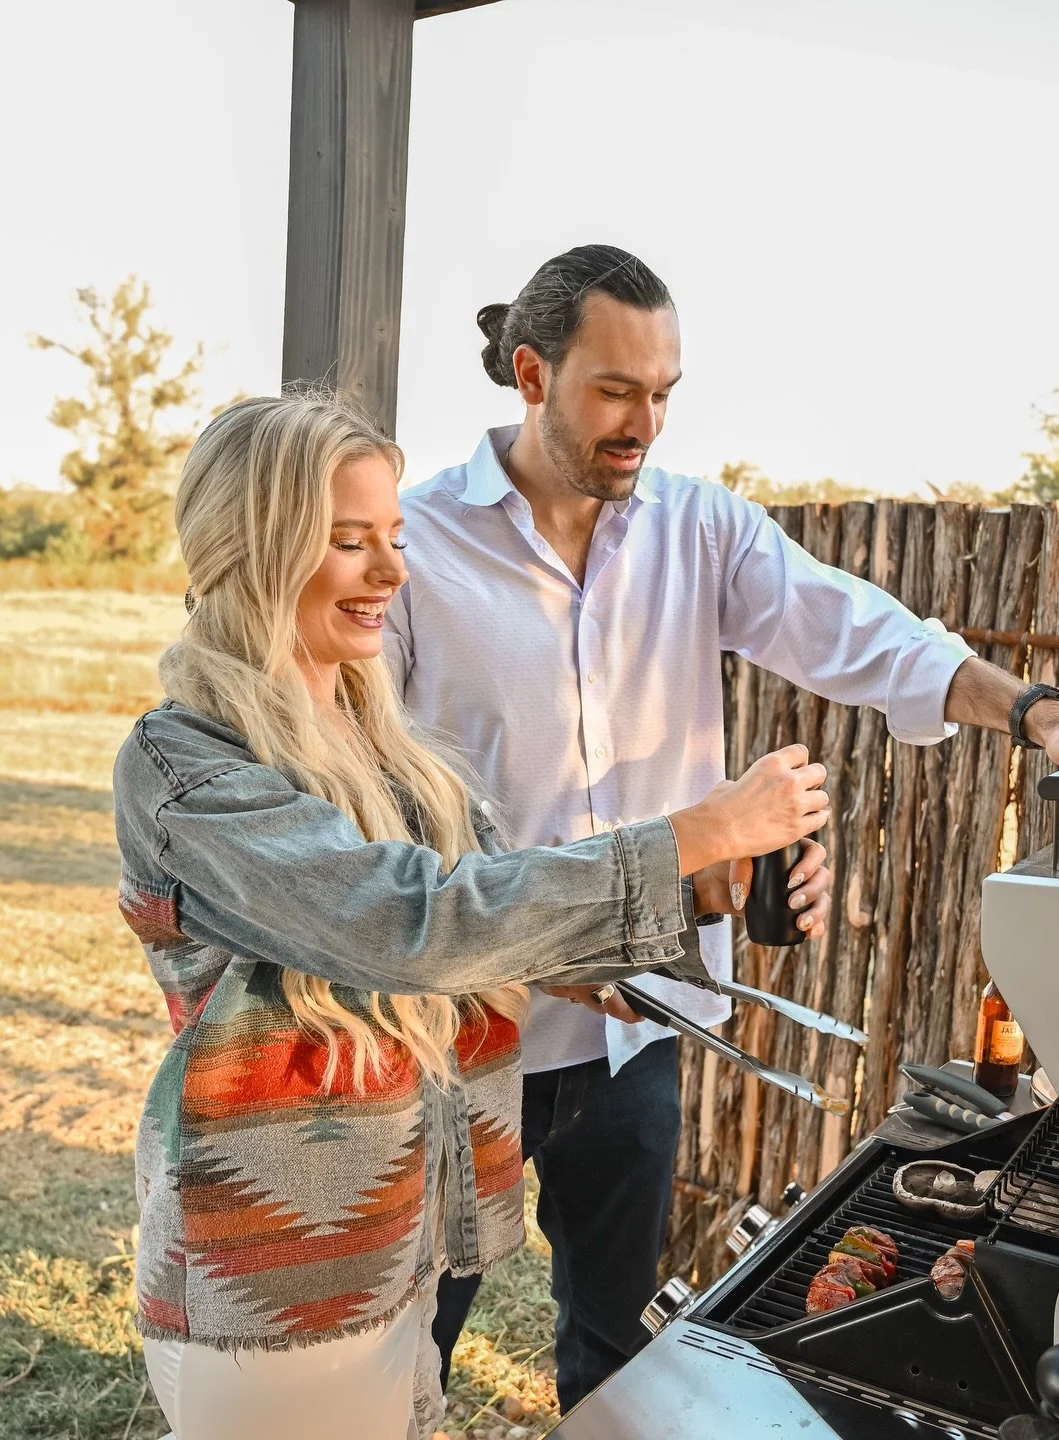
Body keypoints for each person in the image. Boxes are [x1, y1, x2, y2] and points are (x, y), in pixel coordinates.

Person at [383, 244, 1059, 1411]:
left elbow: (870, 634)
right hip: (459, 1035)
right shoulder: (415, 545)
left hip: (638, 1038)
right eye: (615, 391)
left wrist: (1041, 714)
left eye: (664, 394)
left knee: (615, 1352)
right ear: (532, 375)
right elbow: (376, 813)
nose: (643, 423)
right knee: (405, 1351)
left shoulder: (700, 530)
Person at [111, 392, 831, 1440]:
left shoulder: (388, 744)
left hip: (400, 1238)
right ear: (253, 547)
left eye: (395, 539)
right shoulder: (186, 765)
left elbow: (495, 902)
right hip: (279, 1272)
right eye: (349, 543)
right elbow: (412, 923)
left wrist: (701, 892)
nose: (394, 574)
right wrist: (690, 835)